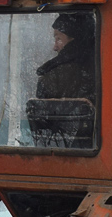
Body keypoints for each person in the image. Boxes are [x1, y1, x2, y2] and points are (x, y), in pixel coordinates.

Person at [28, 12, 96, 147]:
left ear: (76, 41)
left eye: (58, 39)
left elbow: (44, 130)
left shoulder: (54, 78)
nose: (55, 47)